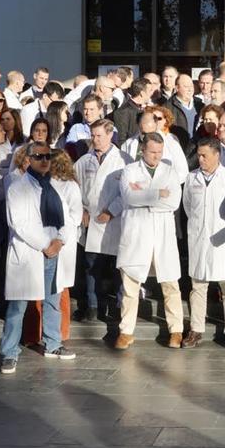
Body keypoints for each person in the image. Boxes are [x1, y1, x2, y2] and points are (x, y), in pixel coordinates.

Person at [0, 146, 81, 374]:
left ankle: (53, 344)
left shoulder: (55, 186)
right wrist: (46, 244)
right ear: (28, 160)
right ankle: (9, 352)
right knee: (18, 306)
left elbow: (67, 220)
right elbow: (19, 223)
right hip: (31, 254)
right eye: (38, 157)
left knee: (53, 300)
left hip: (54, 252)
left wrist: (60, 242)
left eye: (48, 156)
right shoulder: (18, 188)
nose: (45, 161)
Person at [114, 134, 184, 350]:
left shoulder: (169, 171)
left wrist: (144, 195)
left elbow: (173, 201)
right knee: (130, 285)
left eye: (160, 152)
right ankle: (126, 332)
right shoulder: (130, 171)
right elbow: (128, 197)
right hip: (137, 234)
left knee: (170, 284)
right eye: (153, 152)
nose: (157, 156)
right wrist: (157, 194)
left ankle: (176, 331)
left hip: (162, 235)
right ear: (142, 150)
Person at [182, 140, 225, 348]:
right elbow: (188, 206)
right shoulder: (191, 178)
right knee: (198, 285)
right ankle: (196, 329)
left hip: (222, 238)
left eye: (204, 155)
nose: (200, 159)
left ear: (217, 155)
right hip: (199, 238)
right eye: (198, 155)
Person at [73, 119, 128, 323]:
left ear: (110, 135)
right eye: (93, 136)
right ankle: (93, 306)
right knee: (92, 267)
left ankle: (119, 307)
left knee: (117, 267)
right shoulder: (84, 161)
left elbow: (128, 192)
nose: (95, 140)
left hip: (116, 222)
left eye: (99, 136)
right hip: (92, 222)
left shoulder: (124, 160)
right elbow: (73, 187)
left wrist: (112, 211)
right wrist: (81, 210)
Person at [111, 78, 152, 143]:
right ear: (142, 93)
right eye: (150, 90)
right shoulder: (122, 112)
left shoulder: (148, 109)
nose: (152, 93)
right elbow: (121, 139)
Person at [165, 74, 200, 142]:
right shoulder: (167, 108)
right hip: (178, 147)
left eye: (191, 86)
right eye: (186, 86)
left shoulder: (200, 105)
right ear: (177, 88)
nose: (190, 89)